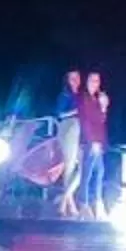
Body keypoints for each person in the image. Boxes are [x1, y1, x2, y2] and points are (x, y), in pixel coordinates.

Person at [52, 69, 85, 214]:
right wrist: (77, 111)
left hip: (81, 129)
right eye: (72, 78)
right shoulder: (65, 95)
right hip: (69, 127)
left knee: (83, 167)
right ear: (67, 80)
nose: (75, 80)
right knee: (70, 164)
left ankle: (65, 198)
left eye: (77, 77)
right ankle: (69, 204)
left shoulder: (81, 95)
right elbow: (59, 113)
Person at [78, 72, 113, 213]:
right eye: (92, 80)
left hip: (98, 139)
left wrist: (104, 107)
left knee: (99, 171)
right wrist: (92, 140)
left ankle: (97, 201)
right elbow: (85, 120)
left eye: (97, 81)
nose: (95, 83)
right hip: (90, 140)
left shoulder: (96, 99)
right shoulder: (84, 98)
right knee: (88, 172)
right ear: (87, 82)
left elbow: (101, 120)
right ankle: (84, 203)